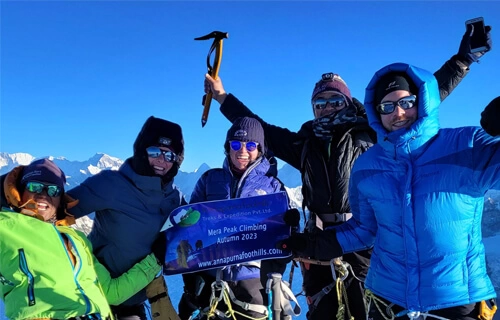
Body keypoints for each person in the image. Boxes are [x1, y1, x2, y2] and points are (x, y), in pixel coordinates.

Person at [203, 25, 492, 320]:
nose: (327, 108)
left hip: (366, 237)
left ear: (347, 102)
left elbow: (422, 98)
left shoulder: (372, 129)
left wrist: (462, 61)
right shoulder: (304, 143)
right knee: (324, 310)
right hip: (318, 241)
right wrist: (223, 97)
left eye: (334, 101)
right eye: (320, 103)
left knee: (367, 308)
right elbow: (260, 129)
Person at [280, 63, 499, 320]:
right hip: (388, 302)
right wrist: (312, 245)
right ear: (377, 113)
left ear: (423, 101)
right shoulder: (367, 165)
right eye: (387, 106)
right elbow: (364, 230)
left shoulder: (467, 146)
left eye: (406, 102)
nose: (398, 113)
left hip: (458, 300)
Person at [0, 158, 162, 320]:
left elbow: (113, 293)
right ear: (20, 191)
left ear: (60, 199)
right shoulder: (5, 227)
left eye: (53, 190)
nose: (43, 195)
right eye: (35, 187)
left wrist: (156, 260)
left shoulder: (77, 240)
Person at [66, 116, 186, 319]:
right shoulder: (110, 185)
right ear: (142, 150)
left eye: (169, 156)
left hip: (134, 300)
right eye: (155, 152)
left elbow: (195, 231)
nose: (161, 161)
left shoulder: (175, 198)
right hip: (93, 297)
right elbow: (56, 208)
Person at [178, 117, 294, 320]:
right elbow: (191, 226)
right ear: (227, 147)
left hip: (252, 278)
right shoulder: (209, 179)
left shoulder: (272, 187)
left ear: (260, 149)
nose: (242, 151)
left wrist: (290, 228)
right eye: (236, 144)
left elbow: (286, 243)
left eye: (251, 145)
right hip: (210, 276)